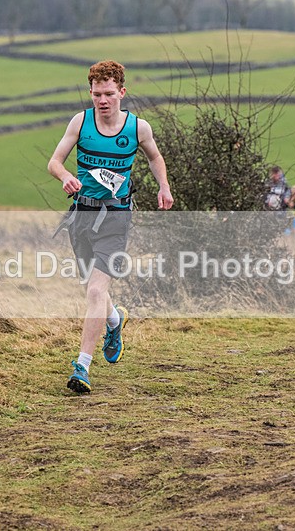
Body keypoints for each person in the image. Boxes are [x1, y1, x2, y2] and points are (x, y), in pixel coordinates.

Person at [48, 60, 173, 393]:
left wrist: (164, 186)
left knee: (94, 290)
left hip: (117, 217)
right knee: (92, 288)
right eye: (96, 94)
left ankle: (82, 367)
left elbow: (154, 157)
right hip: (81, 215)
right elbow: (54, 161)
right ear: (90, 93)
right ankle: (115, 320)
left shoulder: (137, 128)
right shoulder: (81, 122)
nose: (102, 101)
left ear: (121, 92)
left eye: (108, 94)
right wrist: (66, 177)